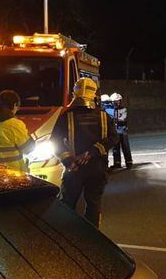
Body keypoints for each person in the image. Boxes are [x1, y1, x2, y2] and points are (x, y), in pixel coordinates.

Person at [51, 78, 119, 228]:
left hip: (74, 169)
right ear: (94, 94)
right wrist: (93, 152)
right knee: (93, 205)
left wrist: (68, 161)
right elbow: (114, 138)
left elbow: (54, 140)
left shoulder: (66, 116)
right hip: (97, 168)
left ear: (74, 93)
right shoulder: (103, 115)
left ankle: (66, 237)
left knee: (68, 205)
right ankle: (92, 239)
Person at [0, 90, 36, 172]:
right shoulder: (14, 124)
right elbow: (28, 149)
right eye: (17, 108)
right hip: (14, 175)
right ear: (15, 105)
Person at [110, 92, 133, 169]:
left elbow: (123, 118)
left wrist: (114, 119)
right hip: (115, 131)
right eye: (116, 101)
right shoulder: (110, 110)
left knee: (125, 147)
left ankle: (129, 163)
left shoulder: (123, 109)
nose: (117, 102)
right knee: (115, 148)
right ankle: (117, 163)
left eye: (119, 100)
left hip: (122, 131)